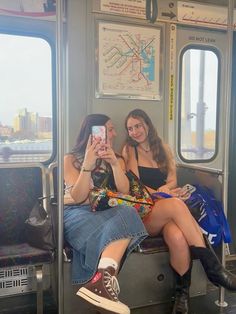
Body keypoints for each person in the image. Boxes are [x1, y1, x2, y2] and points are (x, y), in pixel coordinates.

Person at [122, 108, 236, 314]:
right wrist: (161, 193)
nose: (134, 132)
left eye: (137, 126)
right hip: (145, 211)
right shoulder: (130, 150)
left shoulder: (163, 148)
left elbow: (173, 179)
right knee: (176, 205)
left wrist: (168, 189)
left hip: (167, 208)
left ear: (147, 124)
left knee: (177, 236)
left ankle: (182, 296)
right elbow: (134, 185)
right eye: (130, 129)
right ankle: (214, 268)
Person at [63, 113, 148, 314]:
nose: (115, 133)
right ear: (93, 132)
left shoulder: (116, 158)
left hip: (103, 210)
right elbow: (79, 197)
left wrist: (115, 164)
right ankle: (102, 286)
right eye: (109, 129)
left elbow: (125, 192)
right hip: (76, 212)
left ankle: (103, 279)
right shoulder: (71, 159)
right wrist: (87, 166)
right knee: (120, 229)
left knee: (129, 213)